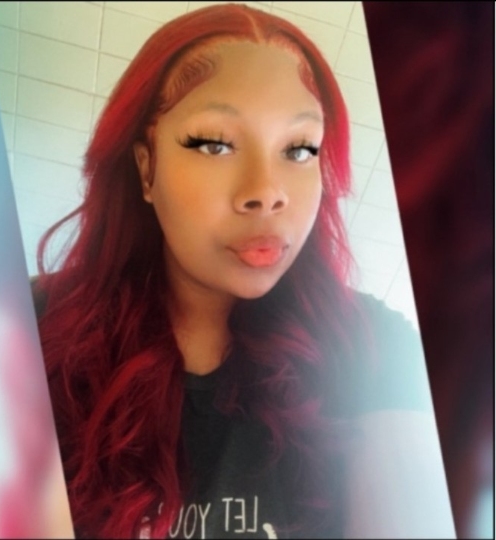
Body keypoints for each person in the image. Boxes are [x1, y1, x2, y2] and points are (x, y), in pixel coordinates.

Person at [31, 4, 454, 539]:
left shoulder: (371, 346)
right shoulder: (34, 327)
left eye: (298, 149)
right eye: (215, 144)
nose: (266, 192)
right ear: (146, 167)